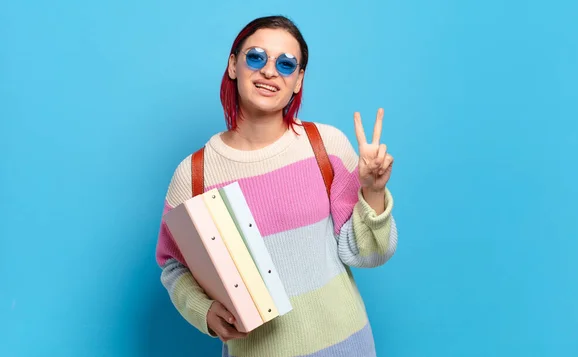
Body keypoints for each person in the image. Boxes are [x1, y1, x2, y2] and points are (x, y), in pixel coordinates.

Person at [155, 15, 398, 357]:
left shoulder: (325, 145)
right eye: (256, 57)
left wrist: (372, 191)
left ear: (298, 80)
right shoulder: (195, 173)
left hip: (347, 347)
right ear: (233, 65)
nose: (270, 72)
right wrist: (205, 312)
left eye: (286, 64)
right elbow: (173, 265)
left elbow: (367, 254)